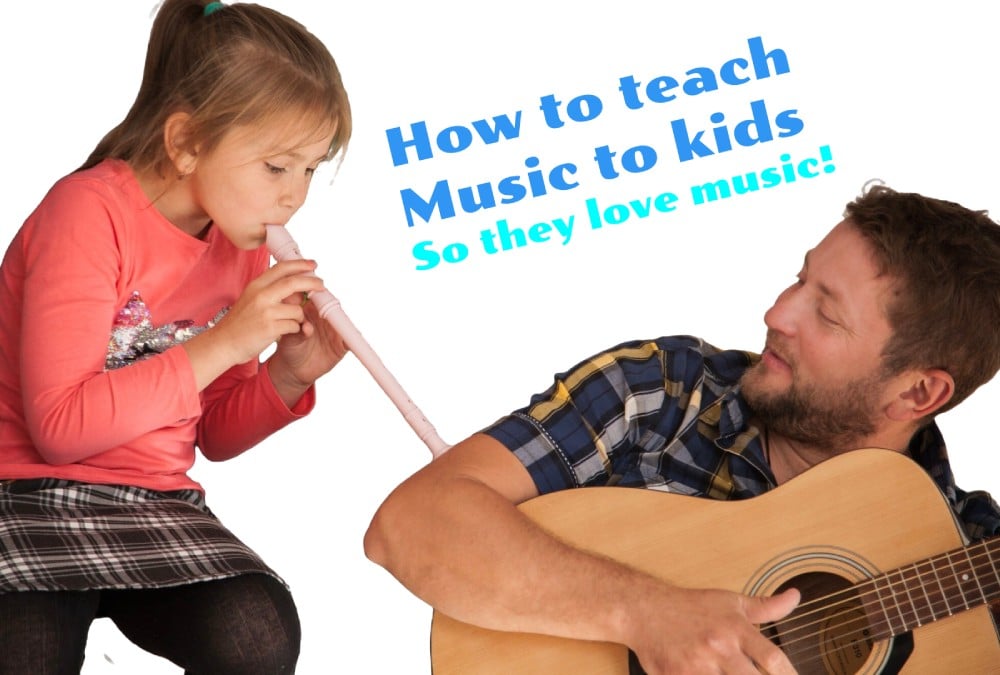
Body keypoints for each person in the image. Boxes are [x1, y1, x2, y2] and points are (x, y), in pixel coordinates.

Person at [364, 184, 1000, 674]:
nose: (777, 312)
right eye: (801, 280)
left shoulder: (965, 545)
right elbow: (411, 525)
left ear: (920, 391)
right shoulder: (663, 390)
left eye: (827, 316)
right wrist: (648, 614)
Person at [0, 1, 350, 672]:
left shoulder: (239, 243)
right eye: (277, 167)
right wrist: (226, 341)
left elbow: (213, 432)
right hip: (25, 490)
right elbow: (60, 427)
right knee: (26, 649)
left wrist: (287, 374)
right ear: (187, 143)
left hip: (154, 502)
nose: (294, 197)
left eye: (310, 169)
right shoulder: (86, 212)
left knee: (258, 631)